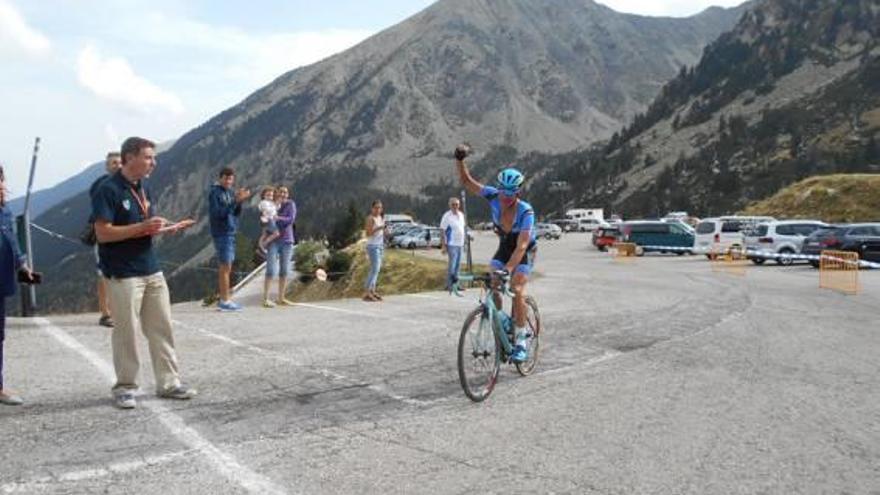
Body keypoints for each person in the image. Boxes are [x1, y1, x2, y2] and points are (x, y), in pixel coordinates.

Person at [92, 137, 196, 409]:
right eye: (149, 157)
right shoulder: (108, 189)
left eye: (153, 157)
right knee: (126, 331)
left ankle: (169, 382)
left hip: (151, 268)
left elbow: (144, 227)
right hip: (123, 273)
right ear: (129, 158)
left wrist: (166, 228)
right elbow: (102, 233)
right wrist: (142, 228)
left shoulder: (144, 187)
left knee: (161, 327)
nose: (154, 162)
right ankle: (125, 387)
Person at [454, 145, 537, 363]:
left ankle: (520, 340)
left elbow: (521, 247)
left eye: (510, 194)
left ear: (518, 193)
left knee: (517, 288)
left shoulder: (526, 211)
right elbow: (467, 182)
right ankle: (500, 320)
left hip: (523, 251)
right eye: (503, 192)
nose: (505, 198)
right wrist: (460, 159)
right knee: (493, 283)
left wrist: (508, 269)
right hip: (504, 246)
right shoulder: (493, 195)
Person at [0, 164, 33, 406]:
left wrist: (22, 264)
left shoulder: (5, 211)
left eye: (2, 179)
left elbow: (12, 240)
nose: (2, 185)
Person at [208, 167, 251, 312]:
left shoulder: (229, 192)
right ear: (220, 178)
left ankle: (225, 299)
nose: (228, 181)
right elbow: (217, 213)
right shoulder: (215, 193)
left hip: (230, 232)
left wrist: (239, 202)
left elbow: (235, 213)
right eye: (226, 178)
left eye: (231, 179)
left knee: (228, 266)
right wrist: (235, 201)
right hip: (221, 232)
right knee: (225, 266)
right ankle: (224, 300)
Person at [89, 152, 122, 328]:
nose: (117, 165)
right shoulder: (101, 186)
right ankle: (105, 313)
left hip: (123, 235)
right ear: (107, 167)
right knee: (103, 274)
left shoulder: (127, 184)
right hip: (104, 236)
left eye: (119, 162)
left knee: (120, 273)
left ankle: (120, 311)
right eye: (113, 163)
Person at [262, 186, 296, 307]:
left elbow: (290, 219)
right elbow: (266, 222)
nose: (283, 194)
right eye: (281, 192)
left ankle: (281, 298)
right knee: (270, 270)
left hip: (287, 241)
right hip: (274, 241)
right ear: (277, 194)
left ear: (288, 194)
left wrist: (277, 218)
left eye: (285, 192)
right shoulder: (271, 205)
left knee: (284, 270)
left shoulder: (291, 204)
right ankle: (265, 299)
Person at [440, 197, 466, 291]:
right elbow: (442, 230)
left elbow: (462, 228)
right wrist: (443, 245)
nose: (455, 206)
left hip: (460, 243)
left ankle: (456, 285)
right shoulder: (447, 216)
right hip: (452, 244)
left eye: (457, 204)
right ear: (449, 205)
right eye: (453, 204)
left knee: (458, 265)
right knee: (452, 265)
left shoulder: (461, 215)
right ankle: (449, 285)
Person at [363, 200, 386, 302]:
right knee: (374, 269)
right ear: (372, 208)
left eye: (380, 208)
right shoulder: (370, 219)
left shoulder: (380, 218)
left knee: (377, 269)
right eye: (376, 207)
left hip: (380, 245)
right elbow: (368, 233)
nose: (378, 210)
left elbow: (381, 232)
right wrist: (379, 228)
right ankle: (367, 292)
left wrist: (385, 231)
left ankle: (372, 290)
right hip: (372, 246)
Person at [257, 186, 280, 254]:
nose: (270, 197)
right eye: (268, 195)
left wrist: (277, 204)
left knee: (264, 234)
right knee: (276, 233)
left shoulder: (271, 203)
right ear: (263, 195)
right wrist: (274, 206)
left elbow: (276, 208)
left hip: (267, 220)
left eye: (271, 195)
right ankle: (264, 244)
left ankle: (261, 247)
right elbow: (267, 210)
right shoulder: (264, 202)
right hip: (269, 219)